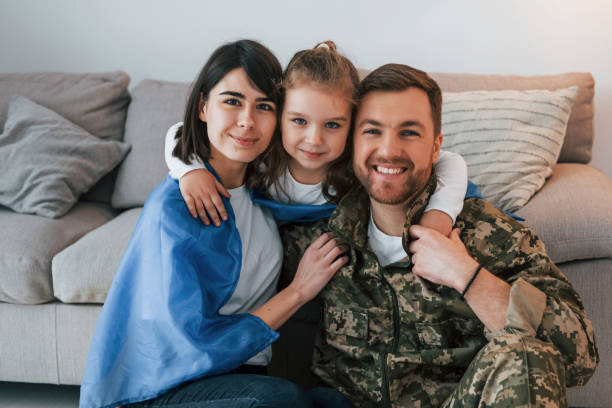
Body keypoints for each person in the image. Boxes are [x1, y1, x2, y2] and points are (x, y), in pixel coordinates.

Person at [280, 64, 599, 407]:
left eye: (409, 133)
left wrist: (466, 275)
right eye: (373, 131)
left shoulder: (491, 235)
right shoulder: (320, 235)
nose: (389, 150)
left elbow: (578, 358)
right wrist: (210, 174)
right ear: (351, 143)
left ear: (436, 148)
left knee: (525, 355)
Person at [79, 40, 354, 408]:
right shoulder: (177, 206)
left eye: (264, 107)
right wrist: (299, 291)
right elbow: (186, 342)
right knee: (278, 400)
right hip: (165, 386)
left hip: (238, 377)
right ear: (204, 106)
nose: (247, 121)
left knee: (334, 403)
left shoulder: (265, 191)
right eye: (232, 101)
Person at [166, 41, 469, 238]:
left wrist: (439, 214)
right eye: (299, 121)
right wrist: (190, 170)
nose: (314, 139)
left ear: (352, 125)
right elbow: (181, 131)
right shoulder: (263, 152)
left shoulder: (357, 161)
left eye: (333, 125)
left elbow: (450, 161)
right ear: (278, 115)